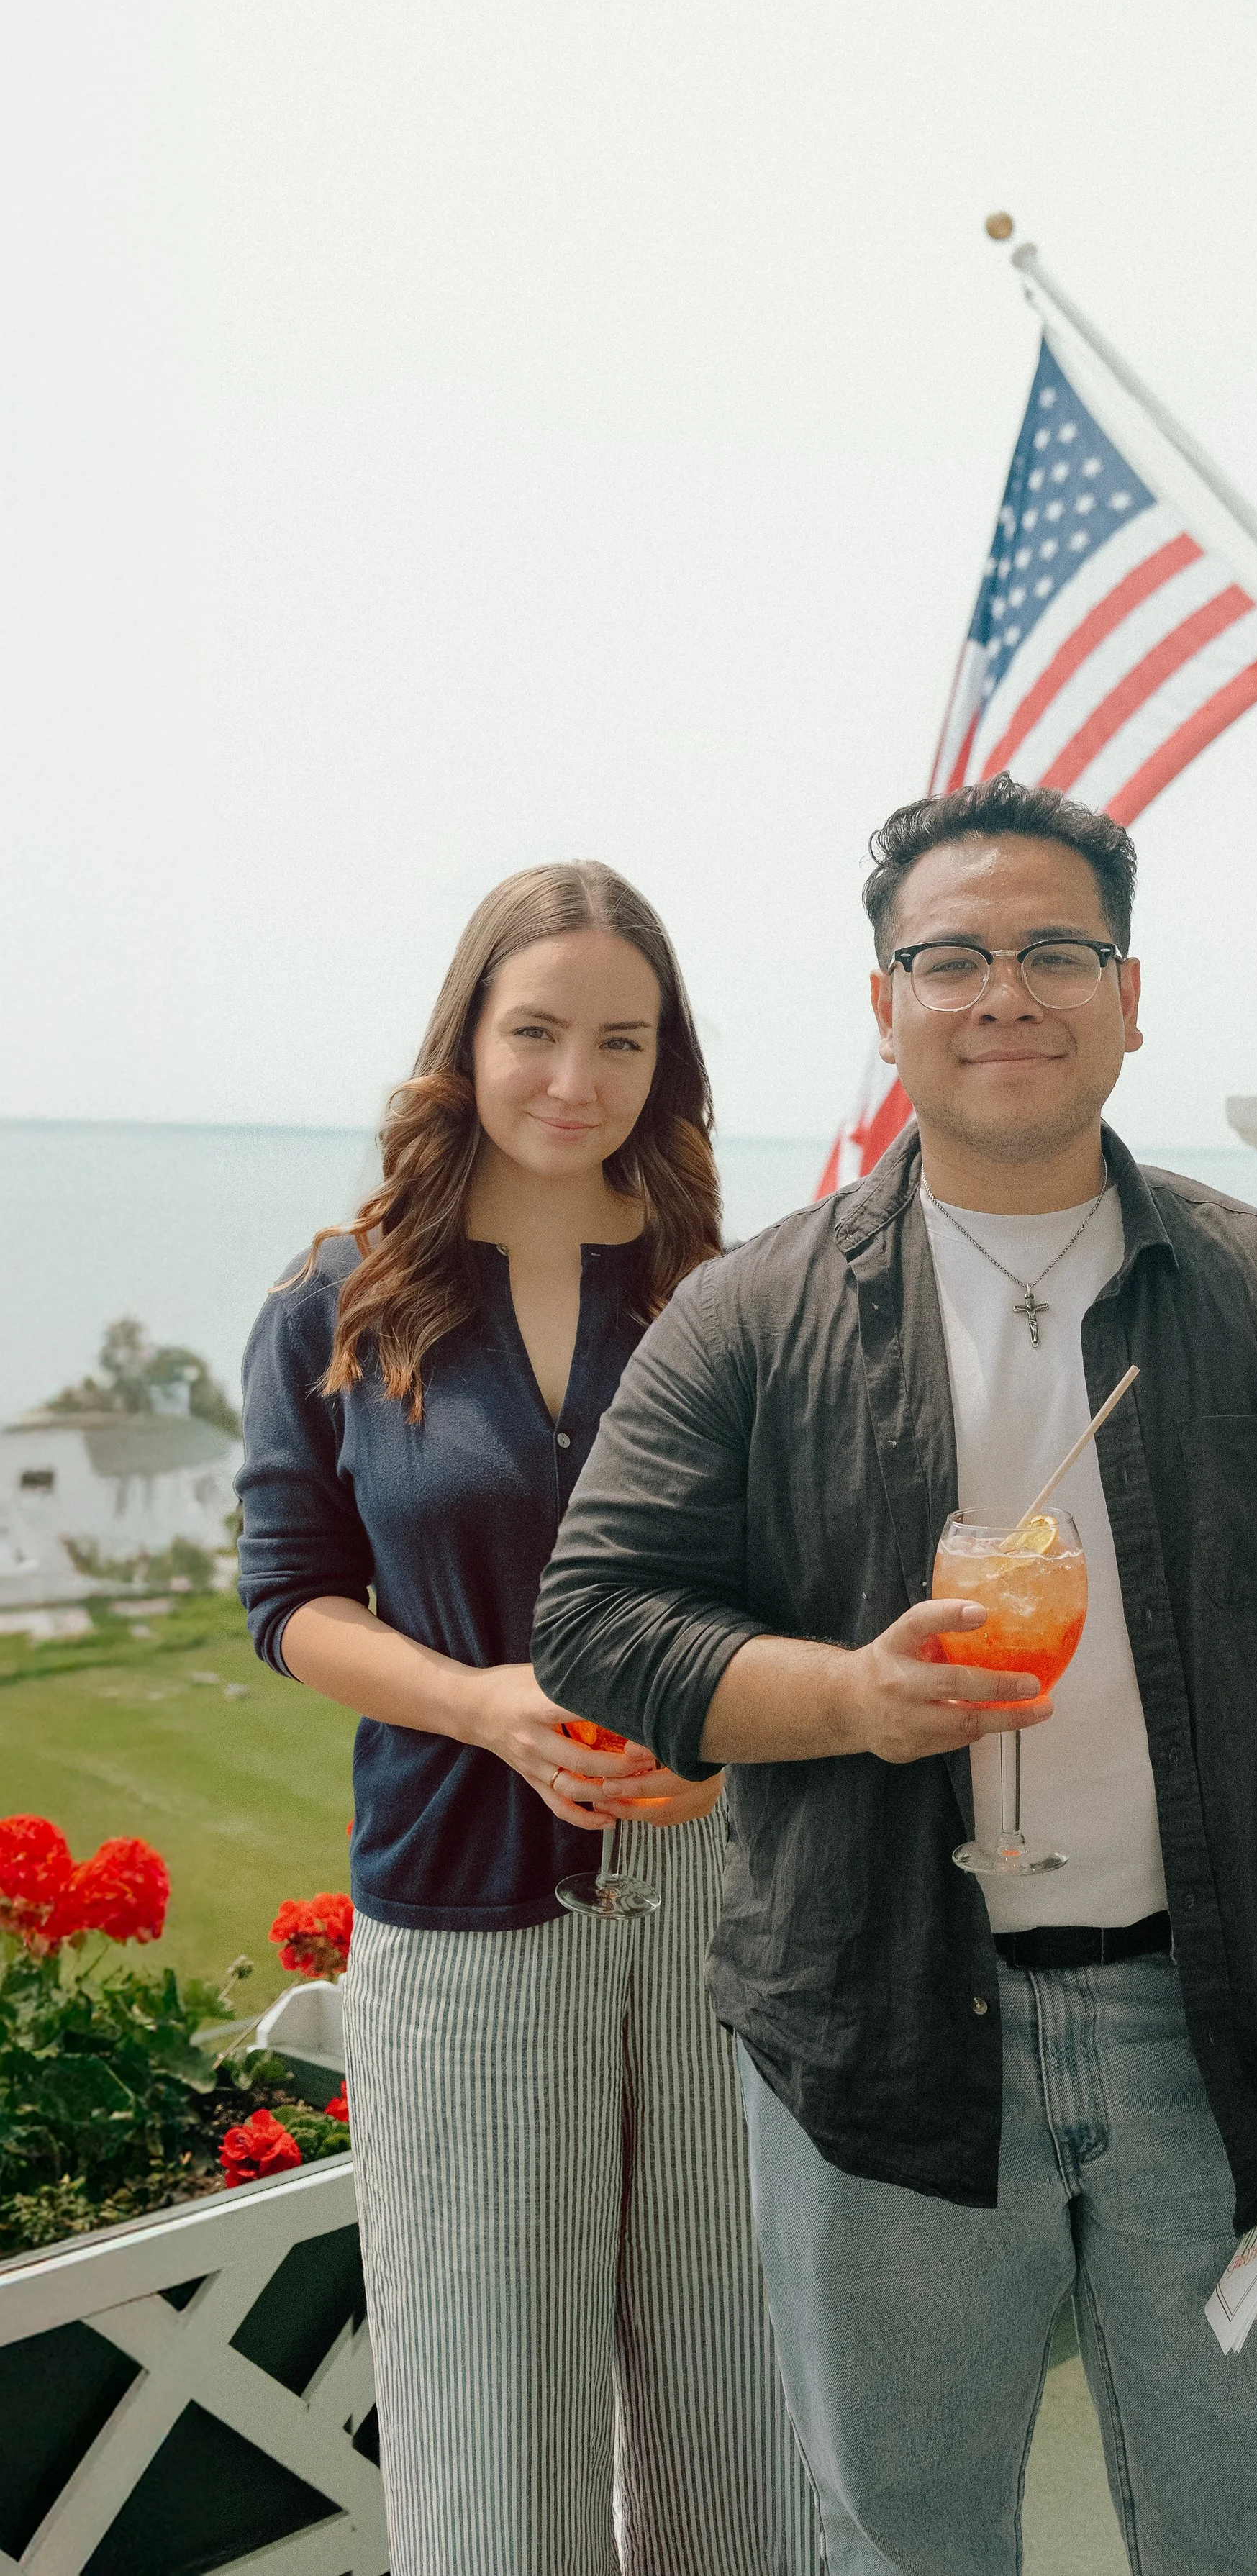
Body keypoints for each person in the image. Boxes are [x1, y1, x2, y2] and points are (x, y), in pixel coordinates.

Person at [532, 779, 1257, 2576]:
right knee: (904, 2540)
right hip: (877, 2028)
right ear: (883, 1002)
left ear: (1130, 995)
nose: (1004, 995)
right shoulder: (752, 1314)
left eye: (1056, 952)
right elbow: (597, 1615)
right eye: (949, 959)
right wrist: (849, 1700)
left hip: (1229, 2033)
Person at [235, 862, 817, 2576]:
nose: (576, 1079)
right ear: (467, 1039)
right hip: (459, 1921)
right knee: (490, 2433)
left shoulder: (732, 1296)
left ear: (667, 1062)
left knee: (746, 2417)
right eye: (537, 1032)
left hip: (720, 1927)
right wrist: (480, 1705)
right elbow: (289, 1599)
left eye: (622, 1042)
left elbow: (798, 1582)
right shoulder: (339, 1297)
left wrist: (717, 1741)